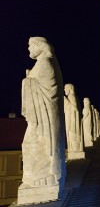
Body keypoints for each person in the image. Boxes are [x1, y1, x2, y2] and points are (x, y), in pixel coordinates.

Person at [20, 37, 66, 189]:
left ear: (40, 46)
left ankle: (42, 177)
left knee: (31, 143)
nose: (28, 49)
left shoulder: (45, 63)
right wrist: (29, 79)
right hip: (43, 114)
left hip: (44, 119)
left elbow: (49, 89)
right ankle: (39, 177)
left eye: (30, 46)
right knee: (29, 143)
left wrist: (27, 81)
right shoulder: (43, 63)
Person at [64, 83, 84, 156]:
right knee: (69, 133)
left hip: (72, 120)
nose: (64, 90)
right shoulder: (71, 96)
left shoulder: (72, 96)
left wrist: (66, 102)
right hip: (70, 117)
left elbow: (75, 108)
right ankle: (72, 148)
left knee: (71, 133)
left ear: (70, 89)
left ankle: (74, 149)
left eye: (65, 88)